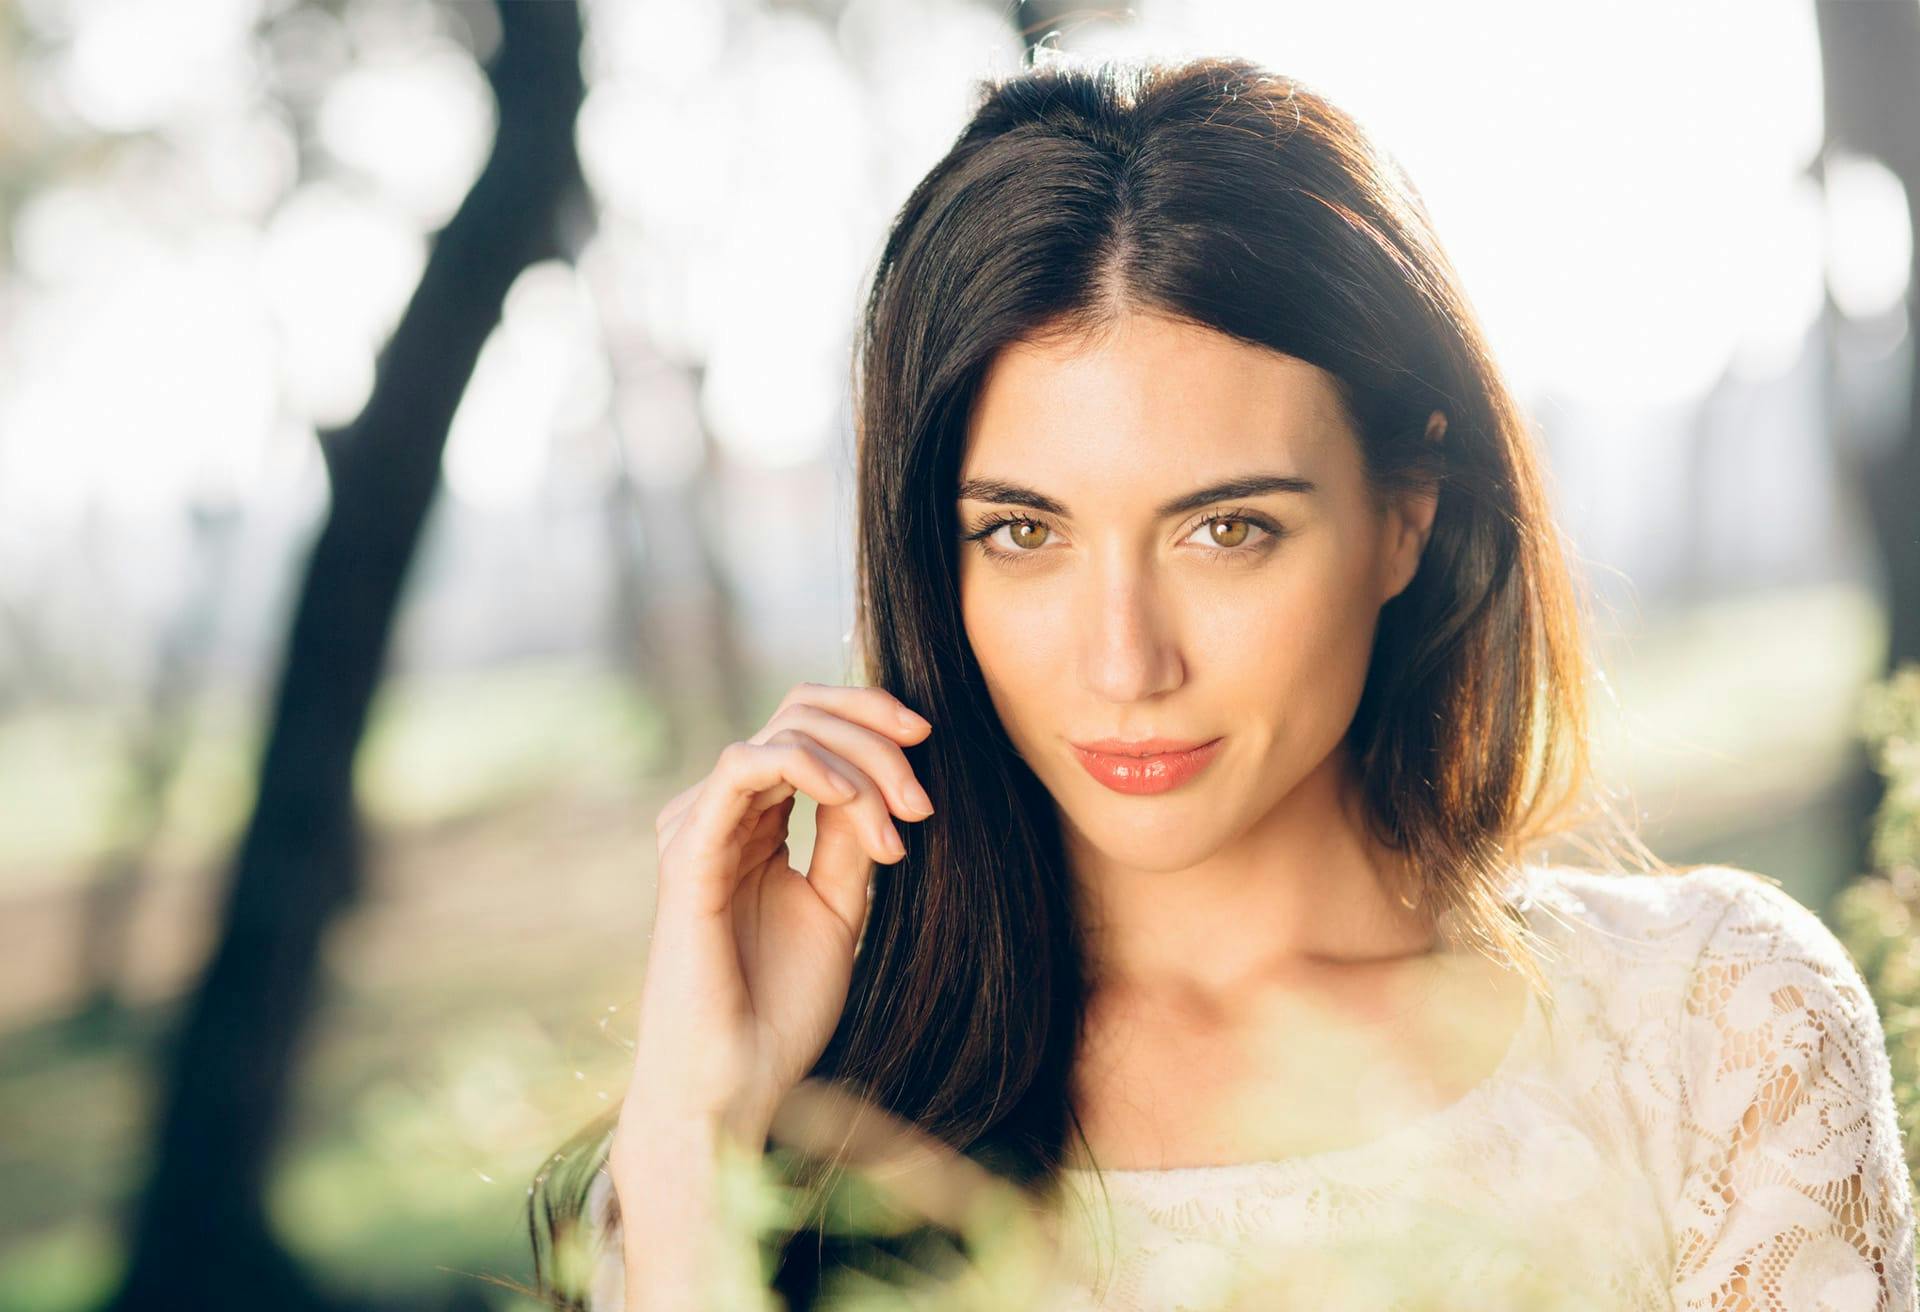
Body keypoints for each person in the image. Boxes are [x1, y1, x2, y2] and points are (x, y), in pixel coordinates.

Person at [523, 53, 1918, 1311]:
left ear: (1404, 511)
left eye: (1224, 529)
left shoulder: (1713, 1028)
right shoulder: (794, 1131)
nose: (1125, 661)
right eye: (1024, 533)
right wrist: (702, 1129)